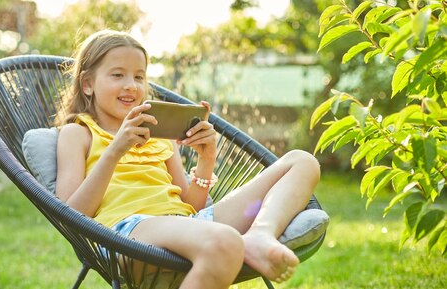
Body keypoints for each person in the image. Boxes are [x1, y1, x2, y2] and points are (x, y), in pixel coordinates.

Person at [55, 29, 321, 289]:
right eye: (117, 75)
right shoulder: (78, 134)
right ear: (87, 84)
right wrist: (115, 150)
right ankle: (244, 243)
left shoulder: (159, 135)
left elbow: (190, 205)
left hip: (185, 224)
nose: (131, 85)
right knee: (226, 242)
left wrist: (206, 160)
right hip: (125, 234)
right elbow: (71, 215)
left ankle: (260, 234)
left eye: (139, 76)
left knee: (302, 161)